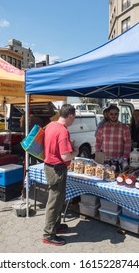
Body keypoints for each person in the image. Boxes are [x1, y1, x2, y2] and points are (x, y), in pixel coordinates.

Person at [42, 104, 79, 246]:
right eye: (74, 118)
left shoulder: (51, 125)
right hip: (57, 169)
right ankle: (48, 234)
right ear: (70, 115)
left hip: (50, 166)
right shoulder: (63, 131)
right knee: (54, 202)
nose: (73, 120)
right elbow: (65, 156)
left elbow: (53, 145)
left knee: (57, 199)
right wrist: (75, 152)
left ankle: (55, 225)